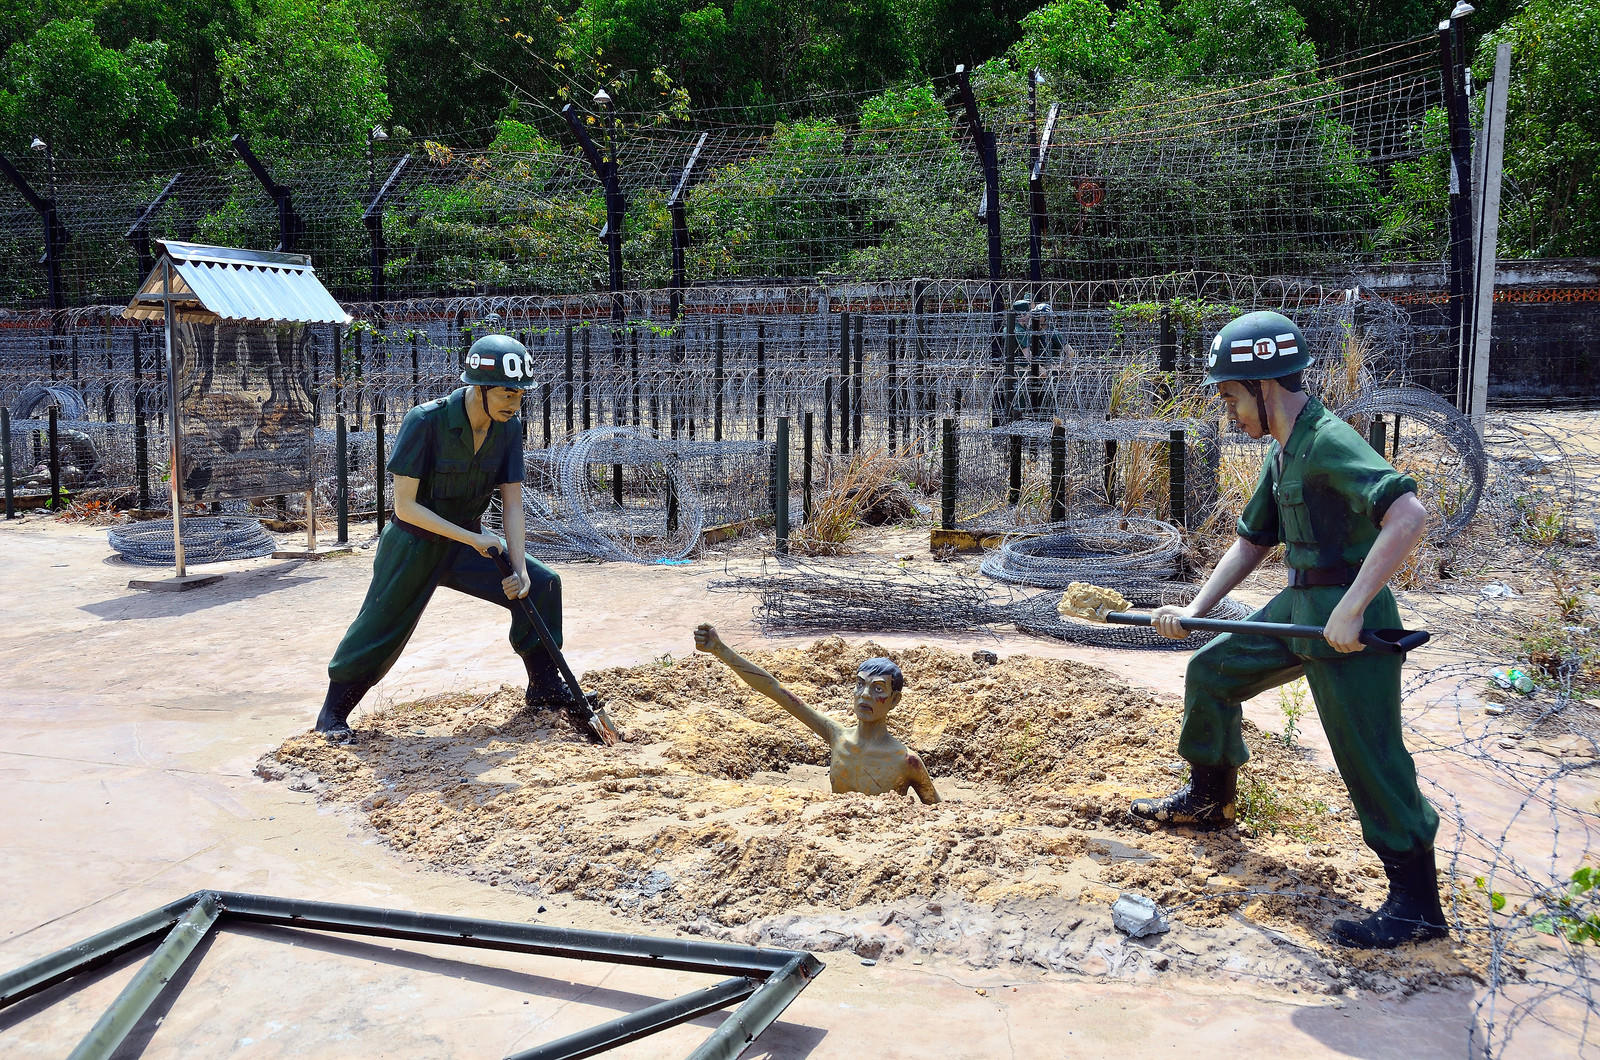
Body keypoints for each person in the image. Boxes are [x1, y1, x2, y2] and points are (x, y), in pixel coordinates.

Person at [1133, 310, 1444, 949]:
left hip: (1349, 619)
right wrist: (1195, 610)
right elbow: (1252, 542)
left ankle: (1416, 905)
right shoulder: (1284, 449)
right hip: (1301, 605)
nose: (1229, 412)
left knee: (1369, 753)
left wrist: (1353, 607)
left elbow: (1407, 516)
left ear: (1264, 386)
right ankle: (1208, 799)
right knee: (1212, 670)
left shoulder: (1328, 440)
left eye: (1231, 396)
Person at [314, 332, 572, 736]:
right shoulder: (425, 421)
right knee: (382, 624)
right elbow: (405, 507)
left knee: (541, 585)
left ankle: (544, 686)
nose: (515, 403)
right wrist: (473, 540)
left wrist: (518, 568)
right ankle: (332, 713)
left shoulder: (508, 428)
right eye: (507, 394)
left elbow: (513, 503)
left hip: (469, 541)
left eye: (520, 395)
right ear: (479, 387)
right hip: (413, 544)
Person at [693, 623, 941, 804]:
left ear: (894, 700)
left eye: (878, 689)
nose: (865, 695)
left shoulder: (906, 762)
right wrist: (719, 649)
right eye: (859, 684)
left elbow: (940, 813)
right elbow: (775, 690)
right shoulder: (837, 737)